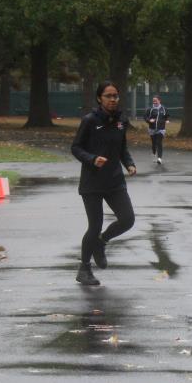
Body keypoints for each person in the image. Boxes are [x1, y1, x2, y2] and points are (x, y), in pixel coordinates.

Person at [71, 82, 137, 286]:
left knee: (127, 219)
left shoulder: (121, 121)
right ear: (100, 98)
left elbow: (122, 148)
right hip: (92, 183)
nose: (113, 99)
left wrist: (129, 163)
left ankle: (102, 242)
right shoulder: (90, 121)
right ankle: (84, 269)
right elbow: (76, 148)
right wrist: (92, 159)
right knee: (95, 226)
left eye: (115, 96)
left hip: (115, 181)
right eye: (108, 96)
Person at [145, 95, 170, 164]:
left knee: (159, 142)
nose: (154, 102)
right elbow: (145, 117)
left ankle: (159, 158)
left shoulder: (164, 108)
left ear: (159, 100)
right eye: (153, 101)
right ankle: (154, 154)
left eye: (156, 101)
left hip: (161, 129)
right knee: (154, 143)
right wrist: (149, 120)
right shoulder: (150, 109)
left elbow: (167, 116)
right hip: (152, 129)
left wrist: (167, 120)